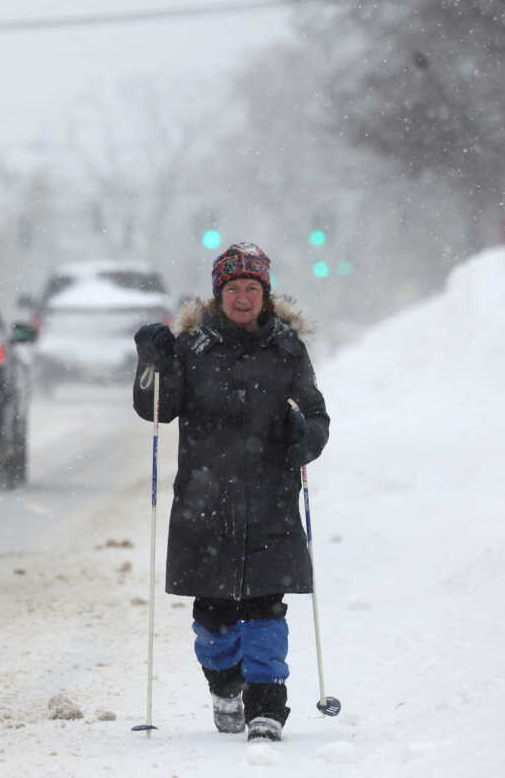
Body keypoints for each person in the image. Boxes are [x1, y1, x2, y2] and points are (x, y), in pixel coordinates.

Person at [132, 242, 329, 743]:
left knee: (266, 609)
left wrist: (307, 435)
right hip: (206, 505)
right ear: (219, 294)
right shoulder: (192, 346)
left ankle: (267, 708)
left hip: (270, 500)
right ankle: (224, 685)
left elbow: (315, 414)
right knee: (214, 619)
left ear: (266, 294)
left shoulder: (287, 349)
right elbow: (157, 408)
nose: (243, 297)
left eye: (252, 288)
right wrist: (151, 361)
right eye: (234, 288)